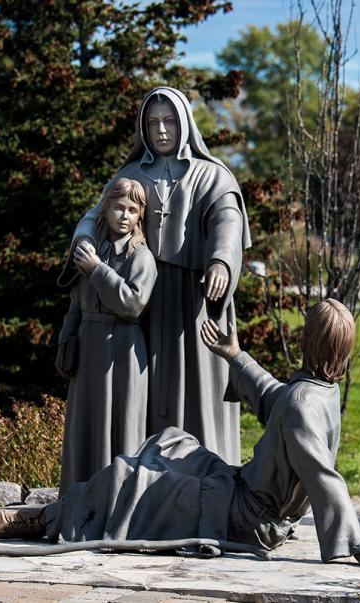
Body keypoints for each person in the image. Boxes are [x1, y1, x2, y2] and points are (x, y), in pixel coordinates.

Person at [0, 299, 360, 569]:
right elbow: (276, 398)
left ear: (310, 341)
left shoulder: (303, 405)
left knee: (135, 476)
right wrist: (236, 356)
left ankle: (45, 520)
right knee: (172, 441)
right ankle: (76, 508)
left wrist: (354, 546)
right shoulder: (319, 391)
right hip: (243, 494)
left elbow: (323, 476)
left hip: (246, 517)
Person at [64, 86, 250, 465]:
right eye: (153, 123)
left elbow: (227, 222)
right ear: (142, 129)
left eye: (169, 121)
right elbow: (95, 215)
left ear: (184, 124)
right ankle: (142, 486)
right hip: (141, 302)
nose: (161, 130)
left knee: (200, 393)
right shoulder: (131, 174)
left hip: (194, 300)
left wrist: (220, 262)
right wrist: (84, 240)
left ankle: (205, 481)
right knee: (138, 400)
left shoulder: (212, 176)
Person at [55, 178, 157, 491]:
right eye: (118, 207)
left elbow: (132, 304)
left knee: (120, 427)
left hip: (123, 351)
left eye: (132, 209)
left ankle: (115, 503)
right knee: (84, 428)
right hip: (88, 349)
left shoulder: (140, 257)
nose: (124, 215)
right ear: (105, 209)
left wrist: (98, 270)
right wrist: (65, 343)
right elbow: (75, 302)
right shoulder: (91, 251)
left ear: (140, 215)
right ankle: (77, 501)